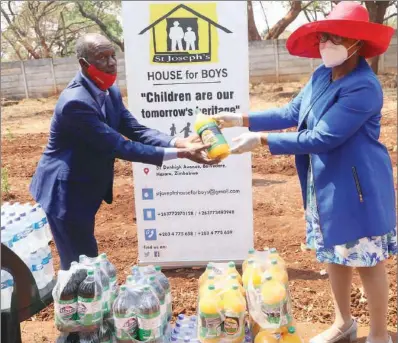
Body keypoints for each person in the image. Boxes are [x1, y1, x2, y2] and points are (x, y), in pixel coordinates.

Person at [215, 3, 396, 343]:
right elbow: (291, 111)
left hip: (358, 187)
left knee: (368, 262)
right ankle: (344, 323)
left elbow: (324, 136)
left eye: (335, 37)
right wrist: (241, 119)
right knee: (333, 256)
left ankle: (378, 335)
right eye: (324, 37)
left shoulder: (363, 86)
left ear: (356, 42)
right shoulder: (320, 76)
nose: (326, 44)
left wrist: (262, 140)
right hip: (325, 184)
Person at [30, 33, 217, 270]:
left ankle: (88, 298)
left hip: (84, 184)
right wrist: (181, 155)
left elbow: (134, 128)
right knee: (79, 264)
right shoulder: (74, 103)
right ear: (84, 64)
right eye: (102, 58)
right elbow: (119, 146)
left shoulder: (110, 91)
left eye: (112, 56)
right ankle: (76, 306)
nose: (110, 63)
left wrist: (177, 142)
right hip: (64, 191)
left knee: (86, 259)